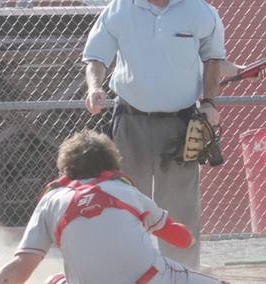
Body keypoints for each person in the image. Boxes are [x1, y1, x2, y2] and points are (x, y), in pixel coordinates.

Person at [0, 131, 265, 284]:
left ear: (65, 171)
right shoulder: (124, 190)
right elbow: (182, 239)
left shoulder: (52, 199)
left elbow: (19, 270)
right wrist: (169, 227)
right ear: (112, 166)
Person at [82, 0, 226, 269]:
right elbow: (96, 57)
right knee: (122, 199)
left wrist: (209, 103)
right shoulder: (119, 9)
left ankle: (183, 278)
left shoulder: (200, 11)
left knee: (180, 207)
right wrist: (94, 87)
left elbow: (213, 59)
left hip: (180, 123)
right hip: (129, 120)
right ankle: (124, 273)